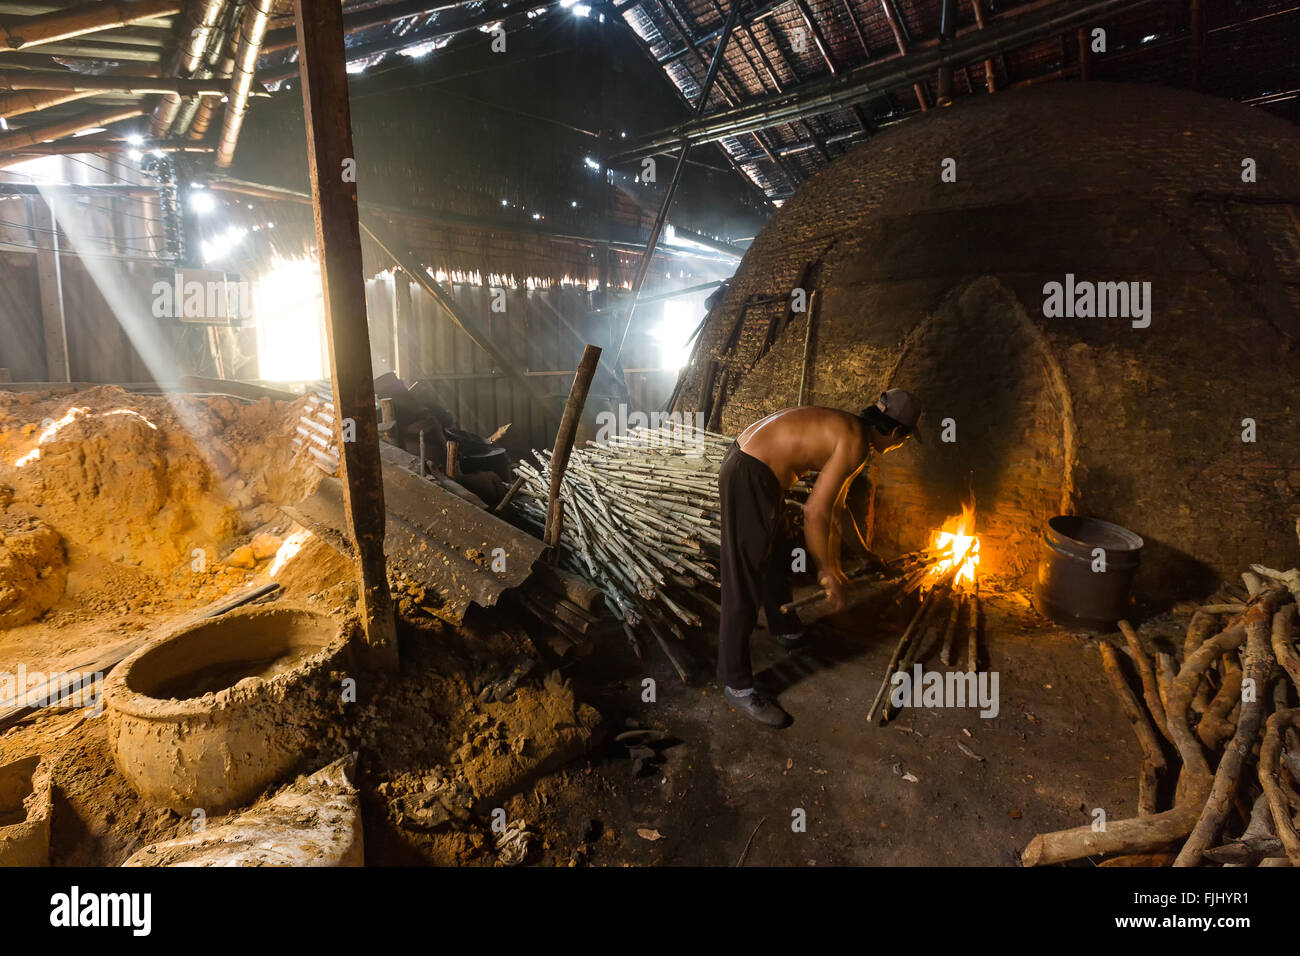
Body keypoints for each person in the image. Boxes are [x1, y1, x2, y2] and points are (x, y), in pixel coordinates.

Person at [716, 389, 923, 727]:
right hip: (749, 473)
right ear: (897, 433)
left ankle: (785, 628)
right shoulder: (855, 444)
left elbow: (837, 509)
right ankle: (735, 684)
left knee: (778, 554)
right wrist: (829, 571)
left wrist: (865, 555)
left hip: (755, 470)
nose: (901, 445)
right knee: (744, 580)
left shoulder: (852, 431)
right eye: (904, 440)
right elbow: (815, 513)